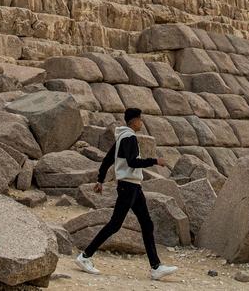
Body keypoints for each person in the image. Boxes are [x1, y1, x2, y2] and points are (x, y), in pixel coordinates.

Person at [75, 108, 178, 281]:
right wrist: (154, 161)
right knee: (115, 224)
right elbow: (132, 162)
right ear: (134, 121)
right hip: (128, 187)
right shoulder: (129, 137)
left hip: (134, 187)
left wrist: (100, 180)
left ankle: (156, 267)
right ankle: (85, 256)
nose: (142, 122)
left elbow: (108, 159)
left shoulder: (122, 137)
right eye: (140, 119)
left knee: (147, 224)